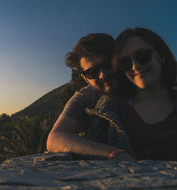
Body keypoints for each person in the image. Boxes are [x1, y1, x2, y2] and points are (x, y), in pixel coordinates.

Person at [86, 27, 177, 161]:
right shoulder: (109, 109)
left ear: (161, 55)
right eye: (126, 63)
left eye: (143, 56)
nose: (135, 66)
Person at [46, 33, 134, 161]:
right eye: (93, 72)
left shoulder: (141, 82)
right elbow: (55, 139)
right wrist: (113, 154)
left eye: (107, 64)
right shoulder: (87, 96)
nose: (102, 75)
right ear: (85, 78)